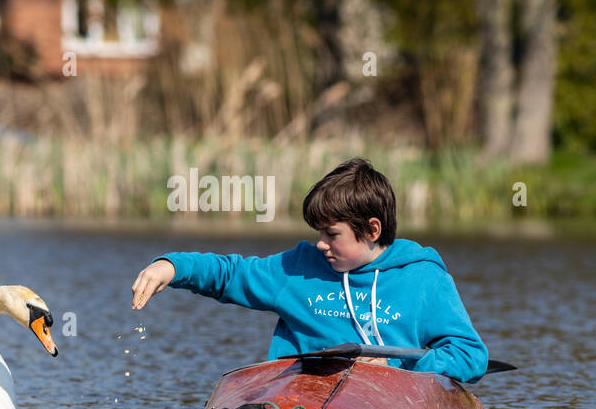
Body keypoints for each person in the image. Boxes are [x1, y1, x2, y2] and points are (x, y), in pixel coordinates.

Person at [130, 158, 488, 382]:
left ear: (372, 230)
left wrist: (399, 368)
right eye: (318, 232)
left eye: (331, 234)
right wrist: (172, 266)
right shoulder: (299, 268)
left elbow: (470, 355)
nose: (320, 243)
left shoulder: (424, 278)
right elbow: (231, 274)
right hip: (300, 399)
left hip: (383, 402)